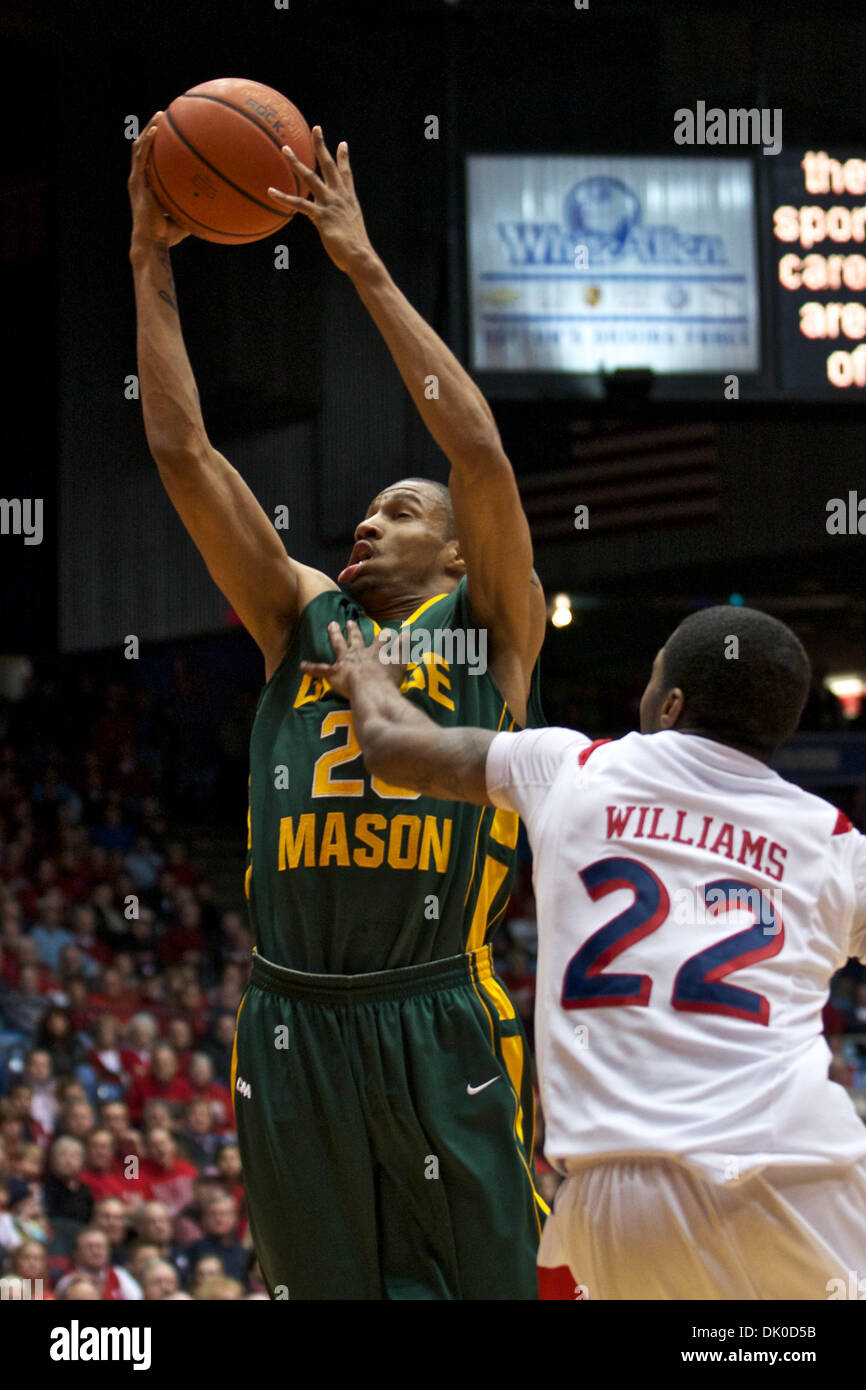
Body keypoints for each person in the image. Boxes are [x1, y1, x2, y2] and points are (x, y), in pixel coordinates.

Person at [128, 114, 548, 1301]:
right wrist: (150, 260)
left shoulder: (495, 632)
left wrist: (358, 260)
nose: (367, 522)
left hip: (435, 1013)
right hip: (289, 1017)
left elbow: (481, 456)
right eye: (365, 510)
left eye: (401, 510)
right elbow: (182, 452)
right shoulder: (301, 617)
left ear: (461, 555)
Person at [306, 604, 866, 1300]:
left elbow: (390, 745)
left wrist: (367, 680)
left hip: (611, 1202)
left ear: (670, 702)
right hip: (795, 1176)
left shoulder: (573, 766)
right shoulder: (833, 840)